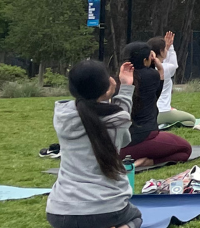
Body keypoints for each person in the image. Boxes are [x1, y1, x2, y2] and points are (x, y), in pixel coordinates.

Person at [47, 60, 143, 228]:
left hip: (60, 212)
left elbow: (93, 111)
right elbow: (124, 137)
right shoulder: (117, 120)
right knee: (135, 217)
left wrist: (104, 94)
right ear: (107, 85)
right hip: (107, 209)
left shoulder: (62, 115)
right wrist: (125, 87)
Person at [120, 42, 192, 167]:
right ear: (145, 60)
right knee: (185, 149)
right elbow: (156, 95)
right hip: (145, 137)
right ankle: (147, 162)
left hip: (119, 145)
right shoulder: (151, 75)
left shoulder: (120, 79)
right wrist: (160, 70)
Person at [149, 32, 196, 128]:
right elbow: (174, 65)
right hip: (162, 112)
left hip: (147, 112)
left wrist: (167, 47)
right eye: (164, 49)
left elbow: (164, 63)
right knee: (191, 120)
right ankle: (163, 124)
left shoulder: (147, 68)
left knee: (173, 111)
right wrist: (170, 48)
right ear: (161, 52)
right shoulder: (165, 69)